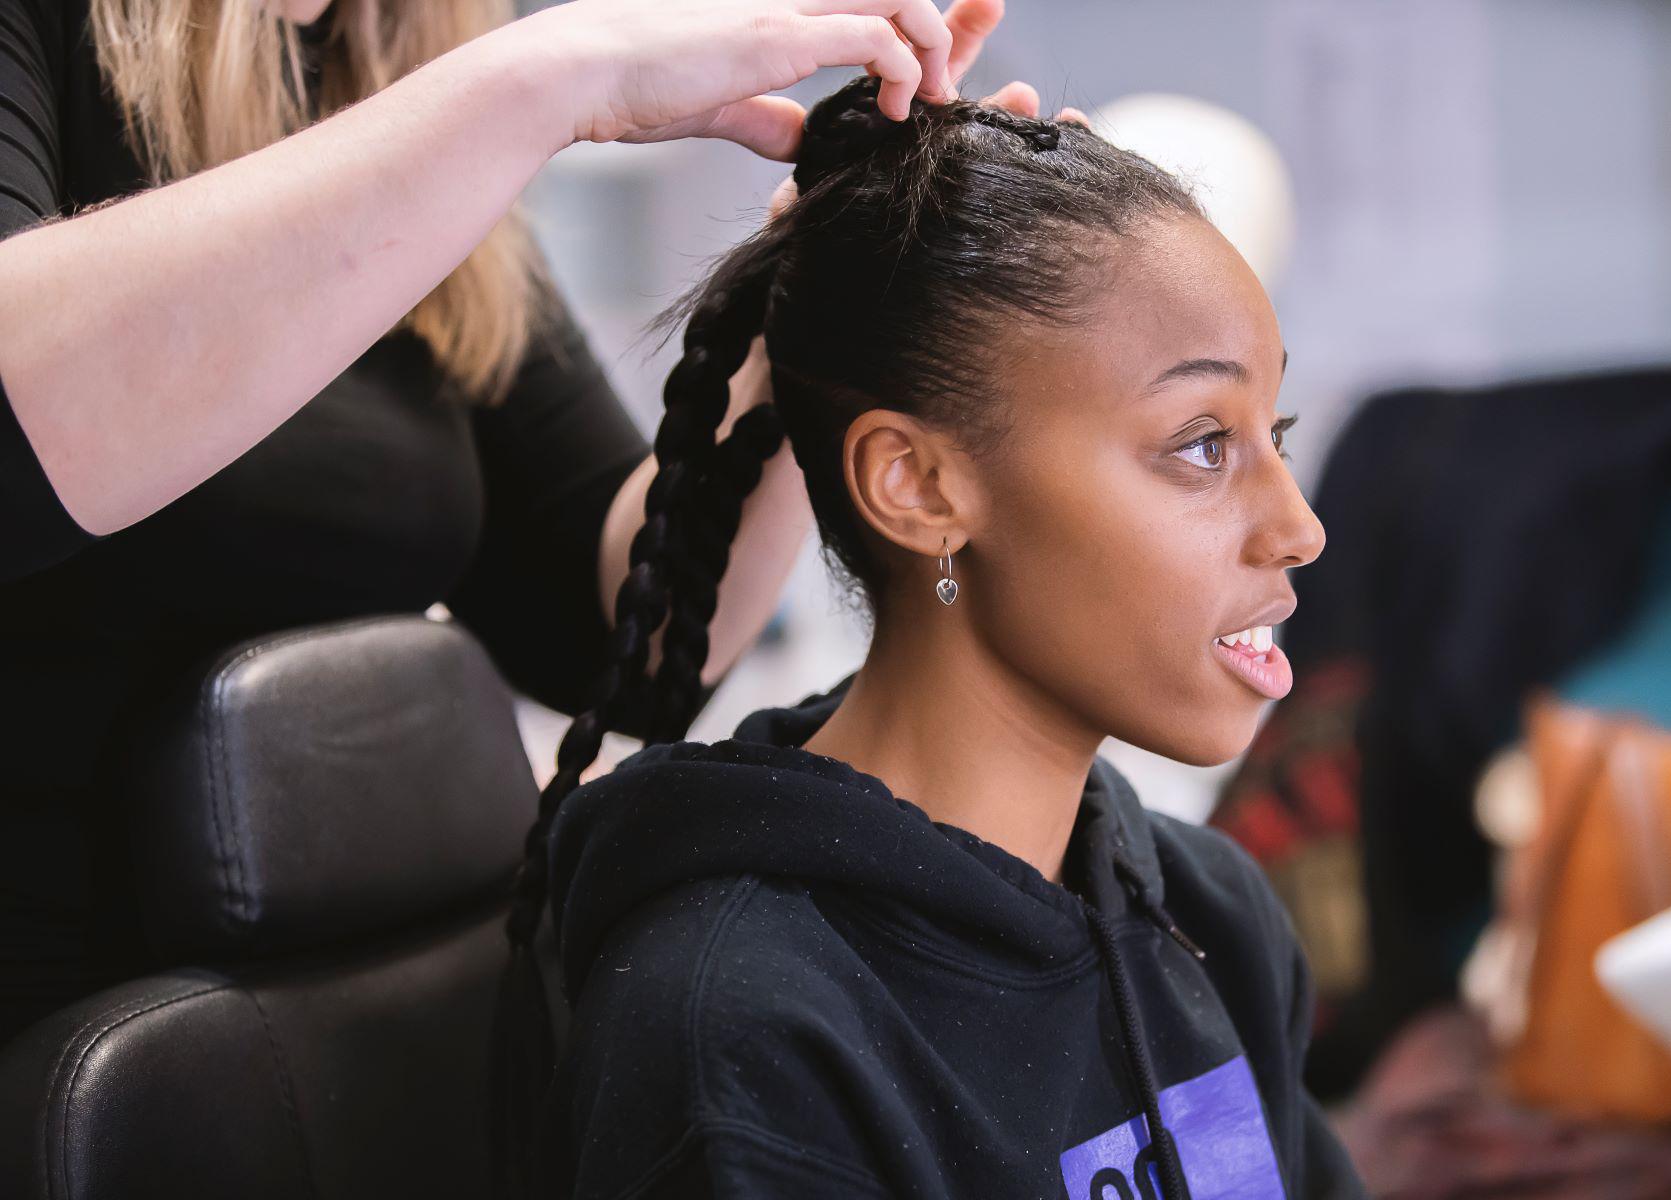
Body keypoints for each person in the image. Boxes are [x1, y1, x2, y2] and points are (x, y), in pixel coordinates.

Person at [0, 0, 1012, 1046]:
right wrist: (550, 79)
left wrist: (805, 328)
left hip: (348, 1043)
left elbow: (628, 633)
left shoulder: (383, 85)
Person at [498, 75, 1367, 1198]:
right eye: (1202, 444)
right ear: (916, 485)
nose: (1301, 528)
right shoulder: (748, 1040)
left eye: (1273, 433)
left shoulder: (1211, 917)